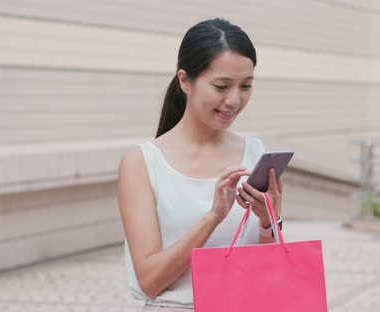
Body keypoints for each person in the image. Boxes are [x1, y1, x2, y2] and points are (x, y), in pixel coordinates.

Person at [117, 18, 284, 311]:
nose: (234, 100)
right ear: (185, 81)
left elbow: (270, 271)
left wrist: (269, 220)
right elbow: (150, 281)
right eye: (221, 86)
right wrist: (213, 217)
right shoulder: (142, 163)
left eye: (246, 86)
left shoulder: (255, 153)